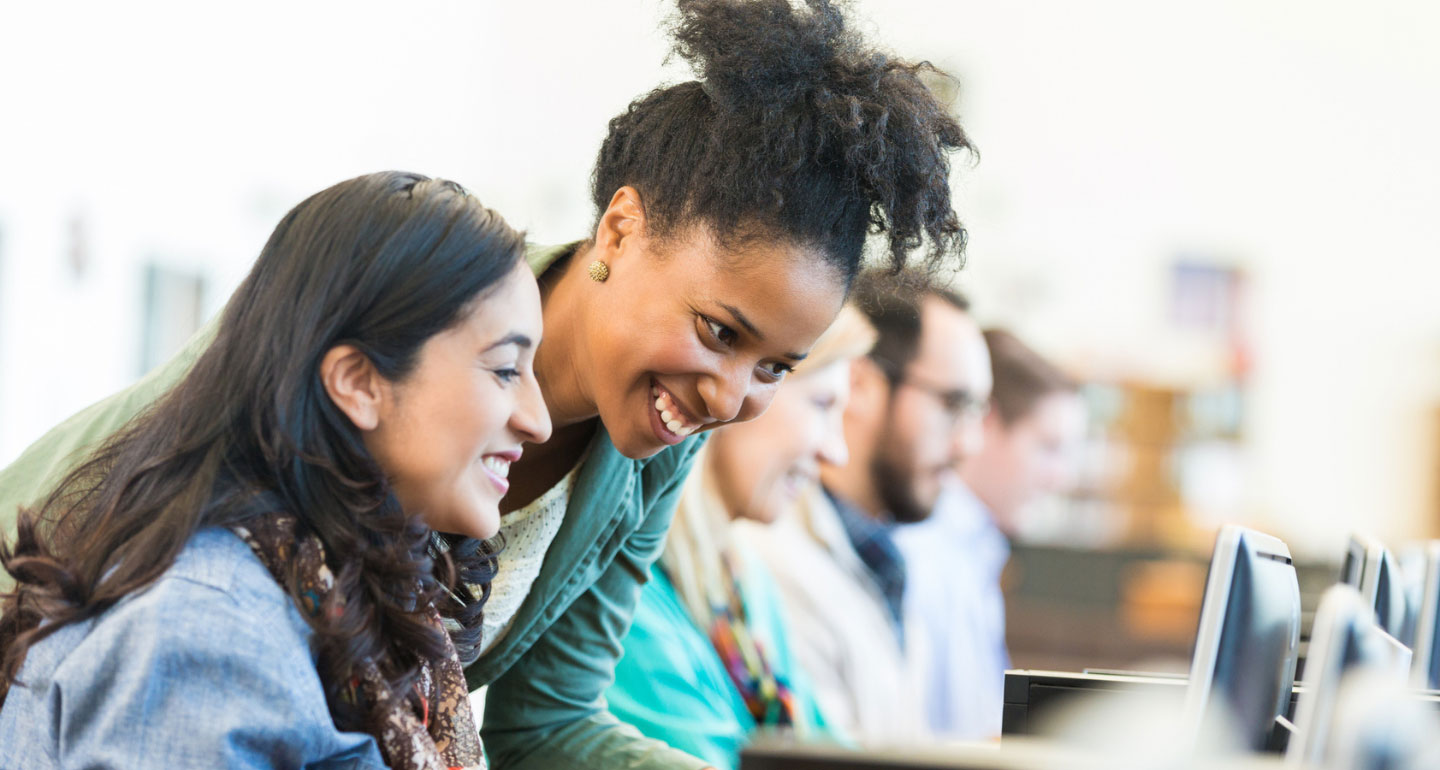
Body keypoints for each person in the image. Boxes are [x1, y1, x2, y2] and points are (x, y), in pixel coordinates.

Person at [0, 1, 973, 767]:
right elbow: (143, 528)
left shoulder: (649, 449)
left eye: (775, 368)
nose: (728, 397)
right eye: (719, 331)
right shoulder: (398, 310)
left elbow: (545, 722)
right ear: (622, 229)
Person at [0, 172, 550, 768]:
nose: (538, 419)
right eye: (504, 369)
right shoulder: (209, 628)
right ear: (358, 382)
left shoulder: (335, 596)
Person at [605, 304, 876, 769]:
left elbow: (829, 753)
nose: (836, 450)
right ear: (742, 390)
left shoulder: (743, 582)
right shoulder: (626, 593)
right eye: (822, 405)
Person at [741, 271, 992, 743]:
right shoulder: (774, 557)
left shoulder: (882, 556)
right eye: (954, 405)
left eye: (977, 412)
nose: (968, 443)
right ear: (861, 385)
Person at [893, 327, 1086, 739]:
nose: (1061, 478)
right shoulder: (924, 552)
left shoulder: (974, 550)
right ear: (987, 422)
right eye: (1049, 447)